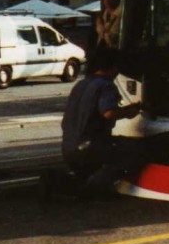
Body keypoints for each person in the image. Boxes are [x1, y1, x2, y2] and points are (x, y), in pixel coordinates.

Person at [58, 47, 142, 197]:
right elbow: (108, 112)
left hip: (68, 147)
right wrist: (130, 111)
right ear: (114, 68)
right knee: (132, 150)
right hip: (90, 147)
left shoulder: (81, 84)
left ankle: (82, 180)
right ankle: (100, 187)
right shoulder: (106, 86)